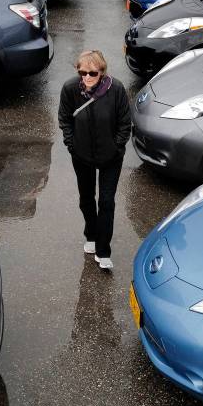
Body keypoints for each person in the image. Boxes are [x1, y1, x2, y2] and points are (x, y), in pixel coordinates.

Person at [58, 50, 131, 271]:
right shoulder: (70, 89)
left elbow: (124, 124)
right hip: (82, 156)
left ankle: (103, 250)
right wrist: (72, 145)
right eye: (83, 72)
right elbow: (64, 119)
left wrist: (117, 147)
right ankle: (91, 234)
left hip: (111, 158)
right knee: (86, 198)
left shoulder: (116, 89)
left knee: (106, 202)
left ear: (102, 72)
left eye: (93, 73)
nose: (87, 77)